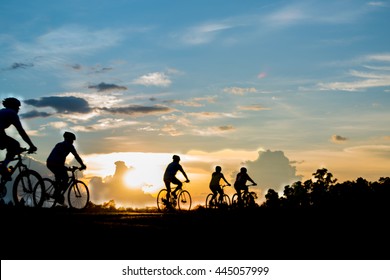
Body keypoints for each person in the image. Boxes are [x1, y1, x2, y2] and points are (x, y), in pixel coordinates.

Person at [0, 97, 37, 180]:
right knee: (15, 144)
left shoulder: (3, 111)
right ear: (14, 106)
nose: (18, 109)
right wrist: (31, 145)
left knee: (11, 145)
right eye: (18, 107)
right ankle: (3, 167)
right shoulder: (12, 113)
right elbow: (21, 131)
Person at [46, 131, 86, 204]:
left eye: (73, 140)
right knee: (66, 178)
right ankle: (57, 195)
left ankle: (57, 194)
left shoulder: (59, 144)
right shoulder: (69, 146)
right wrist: (82, 165)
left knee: (59, 178)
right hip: (56, 163)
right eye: (72, 140)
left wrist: (65, 167)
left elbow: (59, 157)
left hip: (50, 163)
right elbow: (76, 156)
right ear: (68, 139)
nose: (72, 142)